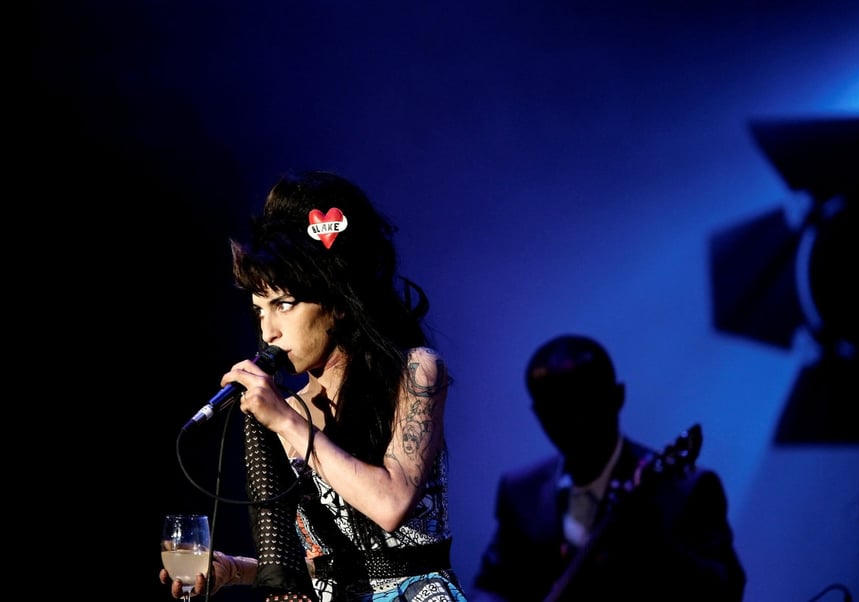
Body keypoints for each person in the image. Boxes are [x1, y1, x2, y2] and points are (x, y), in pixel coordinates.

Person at [160, 170, 469, 602]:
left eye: (284, 305)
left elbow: (391, 504)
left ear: (337, 303)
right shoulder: (289, 410)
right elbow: (323, 563)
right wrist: (235, 570)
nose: (268, 331)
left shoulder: (416, 370)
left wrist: (286, 421)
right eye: (259, 310)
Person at [471, 334, 746, 601]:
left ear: (617, 397)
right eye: (554, 409)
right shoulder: (522, 491)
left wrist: (654, 544)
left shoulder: (684, 490)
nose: (572, 422)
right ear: (538, 414)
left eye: (583, 404)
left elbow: (723, 591)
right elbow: (492, 585)